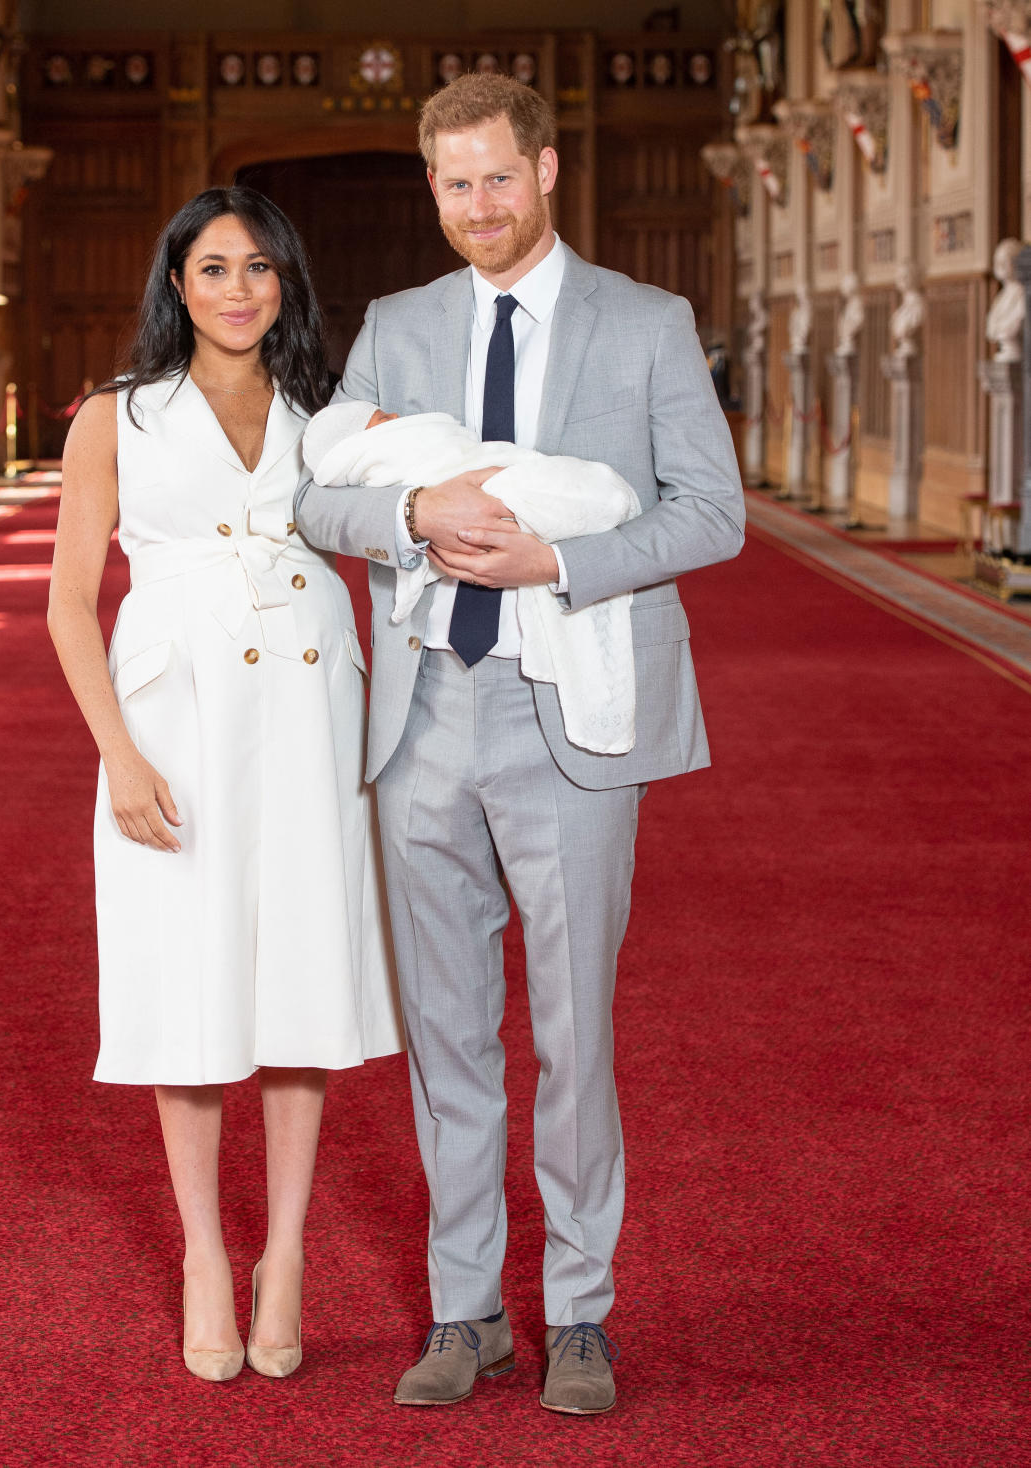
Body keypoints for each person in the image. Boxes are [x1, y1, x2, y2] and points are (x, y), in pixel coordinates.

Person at [294, 73, 745, 1416]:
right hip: (424, 711)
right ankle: (464, 1308)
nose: (476, 206)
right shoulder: (396, 324)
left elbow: (710, 515)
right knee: (445, 1038)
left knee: (570, 1033)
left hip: (570, 713)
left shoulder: (644, 323)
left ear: (545, 172)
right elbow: (322, 496)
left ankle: (582, 1313)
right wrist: (409, 510)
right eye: (452, 184)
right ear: (431, 191)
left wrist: (556, 553)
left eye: (497, 177)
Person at [47, 187, 403, 1386]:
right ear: (177, 284)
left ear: (288, 285)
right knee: (190, 983)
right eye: (214, 267)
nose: (239, 289)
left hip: (310, 712)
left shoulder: (331, 415)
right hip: (177, 720)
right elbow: (67, 602)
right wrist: (119, 754)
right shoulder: (116, 416)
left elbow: (403, 513)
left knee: (301, 976)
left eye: (260, 268)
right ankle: (206, 1249)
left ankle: (286, 1254)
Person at [303, 400, 642, 754]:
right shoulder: (376, 366)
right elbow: (312, 505)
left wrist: (554, 563)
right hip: (424, 685)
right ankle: (600, 498)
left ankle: (600, 497)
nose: (399, 420)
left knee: (561, 490)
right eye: (386, 420)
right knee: (560, 496)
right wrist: (417, 513)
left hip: (539, 660)